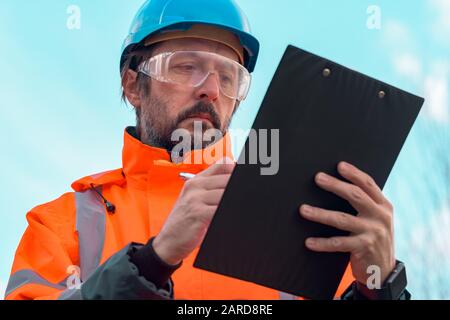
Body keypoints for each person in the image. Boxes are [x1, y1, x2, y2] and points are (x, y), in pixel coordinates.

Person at [5, 0, 409, 300]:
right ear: (133, 85)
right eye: (185, 66)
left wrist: (379, 287)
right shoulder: (62, 225)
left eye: (228, 77)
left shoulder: (305, 219)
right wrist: (152, 262)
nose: (210, 90)